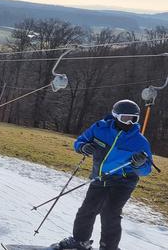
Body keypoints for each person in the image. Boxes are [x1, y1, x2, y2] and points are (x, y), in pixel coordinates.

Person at [53, 100, 153, 250]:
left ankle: (109, 247)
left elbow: (147, 170)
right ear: (115, 116)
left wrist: (138, 164)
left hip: (123, 182)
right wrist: (83, 147)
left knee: (110, 214)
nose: (129, 123)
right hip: (100, 177)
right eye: (125, 118)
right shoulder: (100, 128)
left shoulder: (139, 141)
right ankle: (80, 241)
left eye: (134, 119)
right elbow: (79, 142)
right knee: (87, 210)